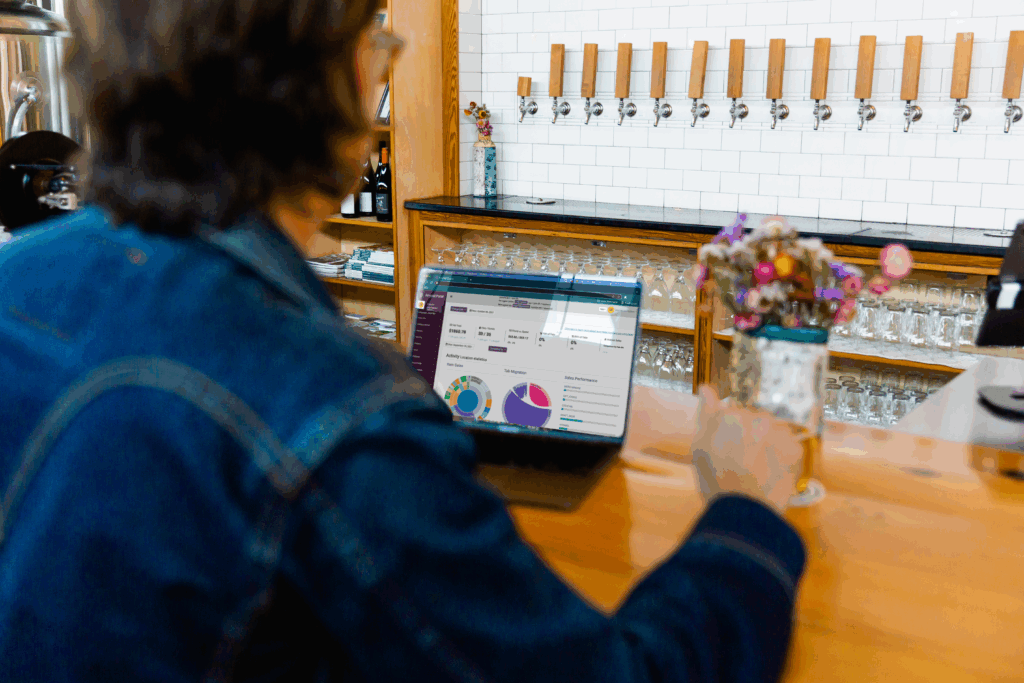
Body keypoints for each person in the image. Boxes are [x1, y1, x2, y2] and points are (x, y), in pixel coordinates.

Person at [0, 1, 808, 680]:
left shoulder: (18, 278)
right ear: (344, 77)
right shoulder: (342, 416)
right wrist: (747, 509)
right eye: (380, 45)